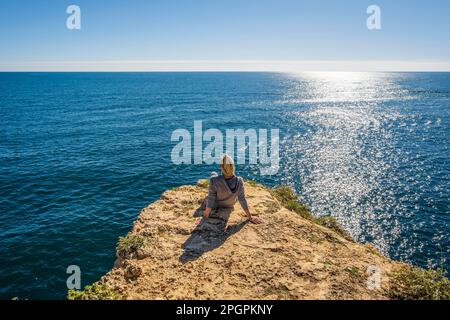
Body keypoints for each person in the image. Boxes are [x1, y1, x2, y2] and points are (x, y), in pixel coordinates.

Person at [201, 155, 263, 225]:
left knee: (213, 174)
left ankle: (215, 179)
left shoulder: (214, 180)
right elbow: (242, 199)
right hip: (230, 204)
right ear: (233, 166)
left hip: (217, 204)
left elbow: (211, 199)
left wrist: (205, 216)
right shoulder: (239, 180)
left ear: (221, 167)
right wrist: (250, 217)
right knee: (214, 176)